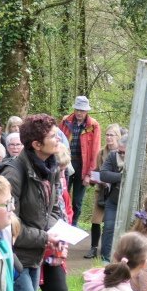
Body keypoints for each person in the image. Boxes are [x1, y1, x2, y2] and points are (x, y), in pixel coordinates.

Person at [0, 114, 61, 291]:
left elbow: (49, 210)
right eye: (52, 137)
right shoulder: (15, 173)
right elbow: (11, 227)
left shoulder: (50, 166)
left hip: (35, 254)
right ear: (36, 144)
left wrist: (58, 231)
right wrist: (47, 237)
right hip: (15, 257)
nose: (58, 139)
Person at [59, 96, 102, 226]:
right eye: (77, 109)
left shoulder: (93, 125)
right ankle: (61, 223)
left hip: (82, 166)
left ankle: (74, 225)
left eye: (82, 110)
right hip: (66, 163)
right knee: (62, 194)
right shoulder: (66, 121)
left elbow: (95, 150)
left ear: (86, 111)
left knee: (77, 201)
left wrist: (89, 174)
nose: (79, 113)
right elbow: (58, 141)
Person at [85, 125, 122, 259]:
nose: (108, 137)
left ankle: (109, 249)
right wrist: (91, 177)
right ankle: (93, 248)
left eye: (111, 135)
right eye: (107, 134)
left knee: (110, 223)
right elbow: (97, 169)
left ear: (118, 137)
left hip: (115, 193)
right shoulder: (101, 152)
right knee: (96, 220)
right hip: (101, 191)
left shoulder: (122, 152)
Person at [99, 133, 127, 262]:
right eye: (119, 151)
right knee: (109, 227)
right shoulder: (113, 155)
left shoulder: (140, 159)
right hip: (114, 200)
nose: (121, 154)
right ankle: (105, 260)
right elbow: (103, 175)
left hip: (131, 202)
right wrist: (123, 177)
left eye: (124, 153)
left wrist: (114, 176)